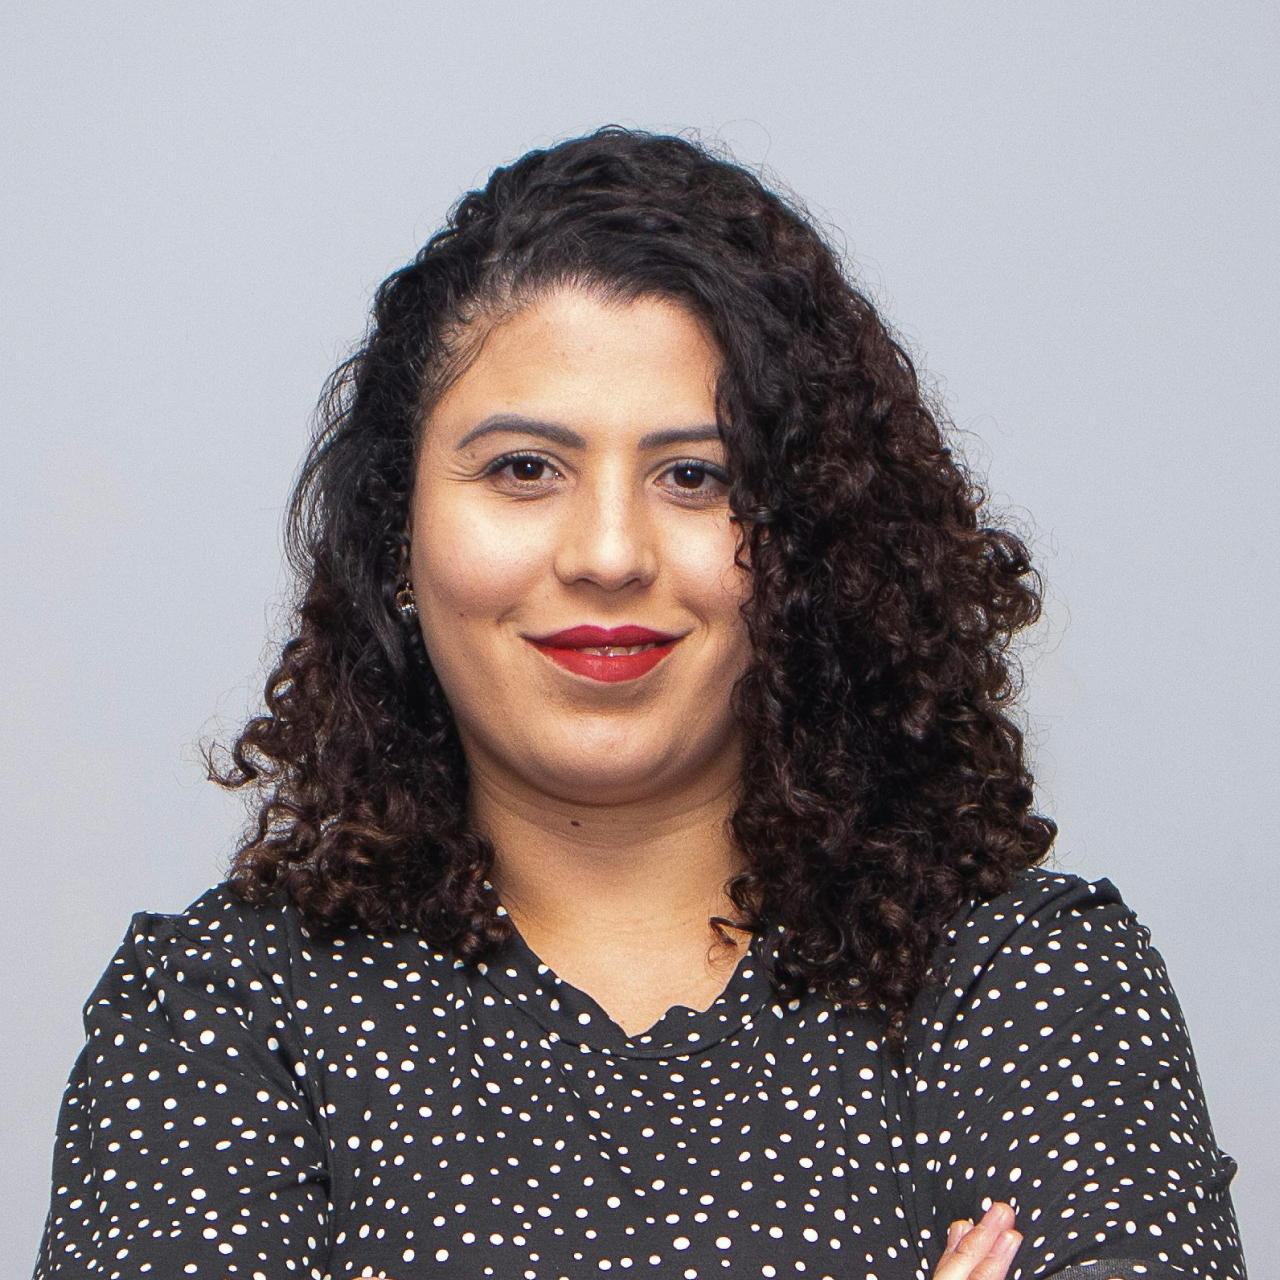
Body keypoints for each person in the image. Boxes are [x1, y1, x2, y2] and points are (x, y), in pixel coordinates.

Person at [32, 127, 1246, 1280]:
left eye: (694, 475)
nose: (608, 552)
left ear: (810, 534)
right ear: (394, 533)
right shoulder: (221, 1011)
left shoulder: (1027, 981)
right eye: (522, 468)